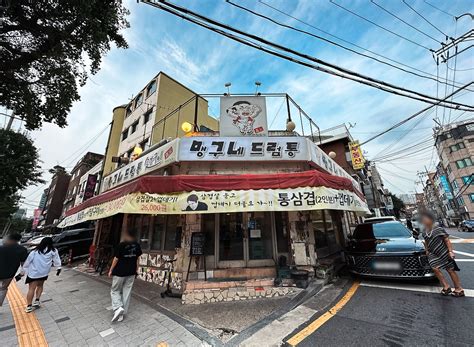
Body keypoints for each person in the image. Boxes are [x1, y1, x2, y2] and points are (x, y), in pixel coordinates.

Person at [421, 212, 464, 297]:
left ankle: (459, 289)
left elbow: (447, 240)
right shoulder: (424, 232)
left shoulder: (438, 229)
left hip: (443, 252)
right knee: (435, 268)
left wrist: (450, 251)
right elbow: (426, 241)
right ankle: (446, 286)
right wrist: (427, 251)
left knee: (450, 269)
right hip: (432, 253)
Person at [108, 228, 142, 322]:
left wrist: (111, 270)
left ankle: (118, 308)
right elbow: (138, 259)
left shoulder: (121, 245)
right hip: (131, 272)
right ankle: (121, 315)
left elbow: (116, 259)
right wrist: (136, 269)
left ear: (126, 235)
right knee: (126, 293)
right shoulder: (137, 245)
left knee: (115, 290)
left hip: (119, 272)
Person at [22, 237, 62, 312]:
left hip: (34, 273)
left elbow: (27, 262)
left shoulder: (35, 251)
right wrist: (58, 268)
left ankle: (29, 306)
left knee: (31, 289)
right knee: (40, 285)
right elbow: (56, 260)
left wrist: (22, 272)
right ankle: (37, 301)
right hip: (44, 273)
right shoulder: (53, 251)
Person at [0, 233, 28, 307]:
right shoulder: (22, 249)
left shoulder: (1, 248)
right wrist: (22, 273)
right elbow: (24, 264)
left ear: (10, 239)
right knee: (3, 288)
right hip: (9, 273)